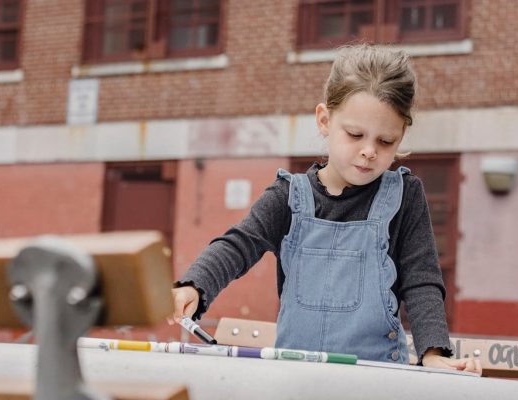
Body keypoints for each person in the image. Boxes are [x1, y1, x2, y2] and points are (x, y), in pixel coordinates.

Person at [168, 43, 481, 373]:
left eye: (385, 141)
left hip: (378, 379)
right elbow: (239, 244)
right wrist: (195, 285)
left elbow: (422, 281)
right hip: (295, 377)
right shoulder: (287, 196)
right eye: (355, 134)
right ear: (324, 120)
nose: (369, 152)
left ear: (401, 136)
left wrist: (434, 354)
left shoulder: (406, 196)